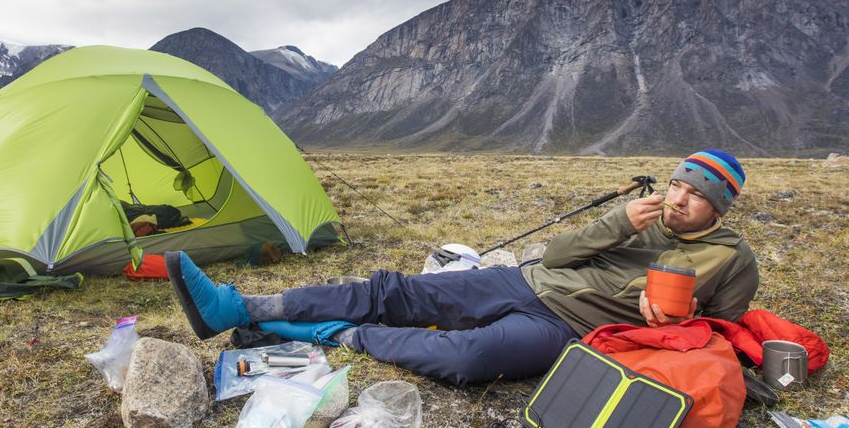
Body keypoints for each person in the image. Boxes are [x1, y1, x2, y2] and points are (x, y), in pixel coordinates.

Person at [167, 150, 759, 386]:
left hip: (568, 329)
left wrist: (668, 328)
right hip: (523, 279)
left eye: (696, 194)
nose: (678, 199)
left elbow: (723, 335)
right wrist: (618, 223)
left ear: (720, 205)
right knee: (398, 292)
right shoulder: (641, 216)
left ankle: (332, 333)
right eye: (678, 183)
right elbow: (555, 257)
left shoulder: (732, 260)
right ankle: (241, 308)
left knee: (467, 358)